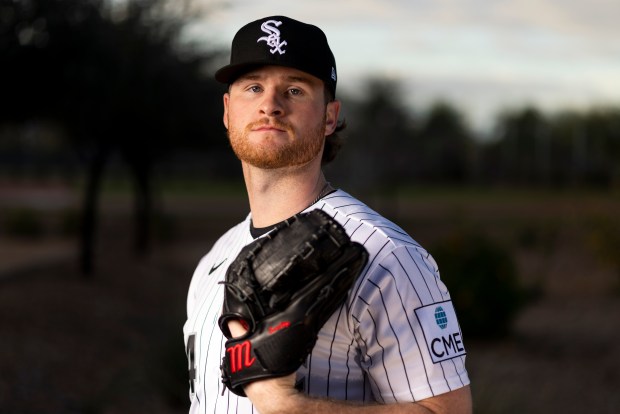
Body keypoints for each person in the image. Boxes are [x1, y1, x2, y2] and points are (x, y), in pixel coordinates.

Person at [183, 15, 472, 414]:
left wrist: (291, 408)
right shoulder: (213, 261)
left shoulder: (385, 255)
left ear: (330, 117)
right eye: (254, 87)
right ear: (228, 111)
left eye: (295, 90)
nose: (270, 105)